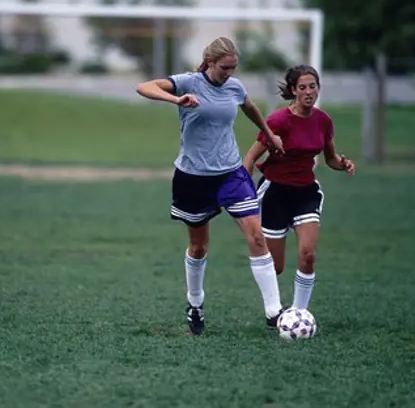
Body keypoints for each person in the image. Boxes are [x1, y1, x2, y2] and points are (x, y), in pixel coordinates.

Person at [135, 36, 288, 336]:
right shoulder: (189, 82)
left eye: (233, 68)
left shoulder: (234, 86)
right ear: (210, 62)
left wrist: (269, 133)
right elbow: (144, 87)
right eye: (224, 68)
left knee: (257, 237)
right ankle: (195, 304)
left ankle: (274, 312)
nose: (229, 74)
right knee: (199, 245)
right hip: (193, 177)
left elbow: (250, 107)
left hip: (231, 173)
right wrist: (176, 100)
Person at [243, 65, 355, 313]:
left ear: (318, 89)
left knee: (308, 255)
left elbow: (330, 158)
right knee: (276, 266)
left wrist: (343, 163)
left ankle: (298, 313)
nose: (308, 92)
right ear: (293, 90)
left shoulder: (323, 121)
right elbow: (250, 158)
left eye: (312, 86)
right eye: (302, 87)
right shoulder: (278, 121)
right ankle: (273, 309)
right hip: (275, 194)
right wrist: (244, 193)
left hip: (305, 192)